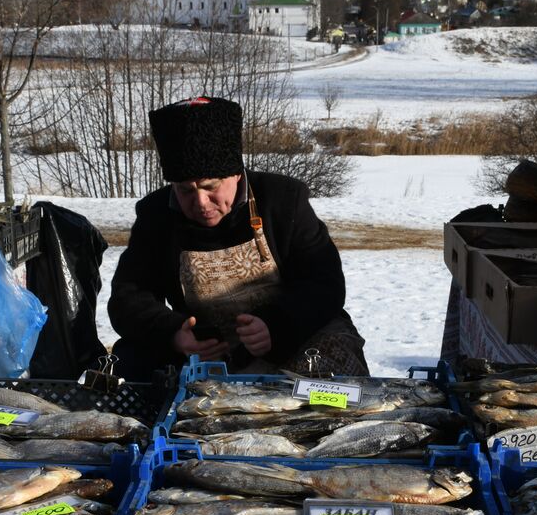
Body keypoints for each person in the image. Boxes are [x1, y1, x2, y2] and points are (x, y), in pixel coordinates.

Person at [108, 96, 367, 378]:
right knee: (130, 363)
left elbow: (325, 283)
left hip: (293, 341)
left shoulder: (282, 200)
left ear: (236, 174)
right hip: (207, 353)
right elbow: (128, 298)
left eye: (211, 187)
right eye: (185, 191)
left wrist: (277, 326)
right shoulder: (156, 215)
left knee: (329, 373)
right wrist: (172, 332)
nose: (201, 202)